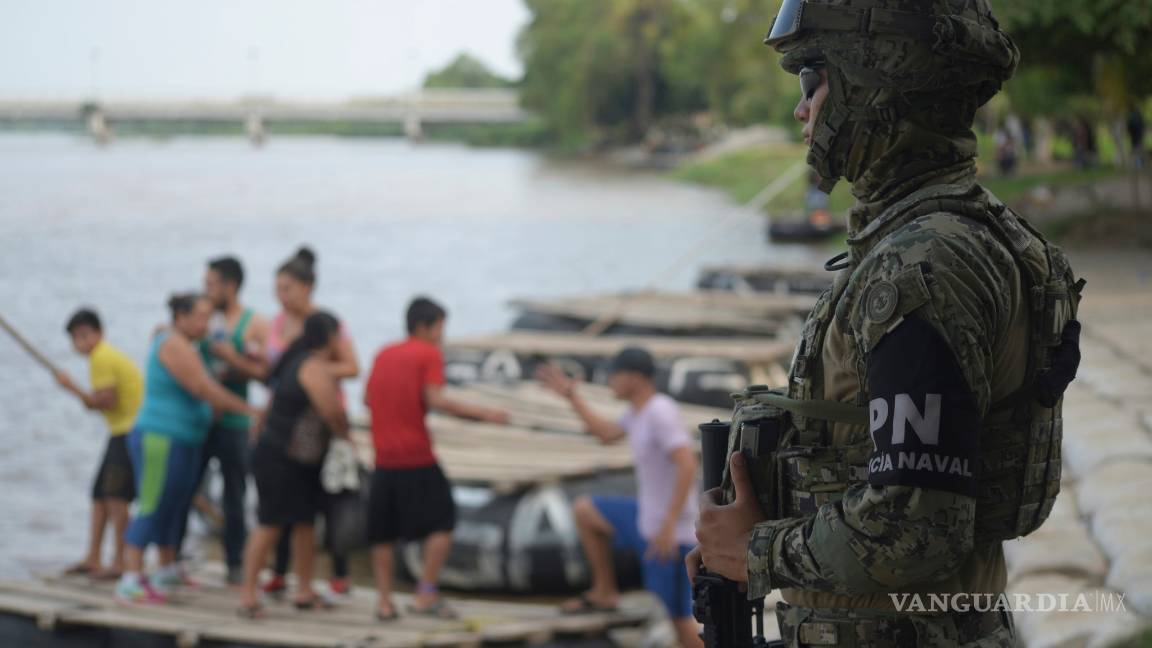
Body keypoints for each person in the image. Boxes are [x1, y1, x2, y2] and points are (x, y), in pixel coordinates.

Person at [689, 2, 1084, 646]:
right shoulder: (936, 241)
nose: (802, 110)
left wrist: (757, 552)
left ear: (872, 85)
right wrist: (739, 540)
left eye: (810, 82)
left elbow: (914, 527)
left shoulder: (923, 266)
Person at [537, 347, 702, 648]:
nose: (609, 381)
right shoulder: (636, 412)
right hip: (646, 519)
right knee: (586, 509)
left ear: (635, 378)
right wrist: (571, 397)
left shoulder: (659, 412)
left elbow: (688, 463)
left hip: (671, 534)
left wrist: (668, 524)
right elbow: (605, 433)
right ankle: (604, 591)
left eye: (614, 375)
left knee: (678, 620)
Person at [364, 296, 509, 621]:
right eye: (440, 328)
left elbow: (367, 399)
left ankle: (384, 602)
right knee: (443, 520)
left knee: (382, 533)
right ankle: (425, 593)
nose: (442, 336)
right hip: (416, 455)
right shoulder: (428, 354)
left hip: (383, 458)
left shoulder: (383, 353)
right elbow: (436, 399)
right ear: (424, 327)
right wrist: (486, 413)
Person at [116, 294, 258, 603]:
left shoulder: (192, 345)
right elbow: (202, 388)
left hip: (187, 438)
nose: (205, 325)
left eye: (208, 317)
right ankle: (130, 576)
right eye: (200, 317)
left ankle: (167, 567)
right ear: (180, 317)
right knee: (152, 501)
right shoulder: (172, 344)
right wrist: (249, 410)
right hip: (160, 436)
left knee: (176, 501)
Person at [238, 311, 350, 618]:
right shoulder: (312, 367)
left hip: (299, 459)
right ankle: (248, 593)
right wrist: (348, 439)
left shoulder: (297, 360)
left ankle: (304, 588)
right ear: (330, 338)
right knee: (270, 523)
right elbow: (332, 412)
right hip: (280, 457)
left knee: (304, 523)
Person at [262, 246, 359, 597]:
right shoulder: (276, 323)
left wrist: (308, 371)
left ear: (307, 287)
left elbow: (352, 367)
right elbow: (269, 370)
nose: (281, 297)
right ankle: (280, 570)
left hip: (321, 417)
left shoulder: (326, 324)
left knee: (329, 498)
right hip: (286, 419)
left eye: (287, 289)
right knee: (289, 499)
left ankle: (339, 571)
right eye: (277, 289)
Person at [176, 256, 268, 585]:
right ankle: (172, 558)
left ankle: (235, 564)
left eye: (212, 284)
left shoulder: (254, 322)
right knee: (185, 489)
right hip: (198, 421)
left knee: (235, 496)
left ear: (231, 286)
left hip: (234, 423)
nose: (206, 290)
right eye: (205, 284)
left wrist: (232, 358)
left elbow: (266, 374)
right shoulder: (198, 318)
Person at [54, 308, 144, 580]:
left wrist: (71, 387)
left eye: (84, 336)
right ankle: (93, 556)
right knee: (99, 495)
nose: (80, 344)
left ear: (98, 334)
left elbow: (104, 401)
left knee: (117, 497)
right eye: (75, 339)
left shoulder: (101, 357)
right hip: (119, 432)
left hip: (129, 433)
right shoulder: (102, 356)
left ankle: (120, 560)